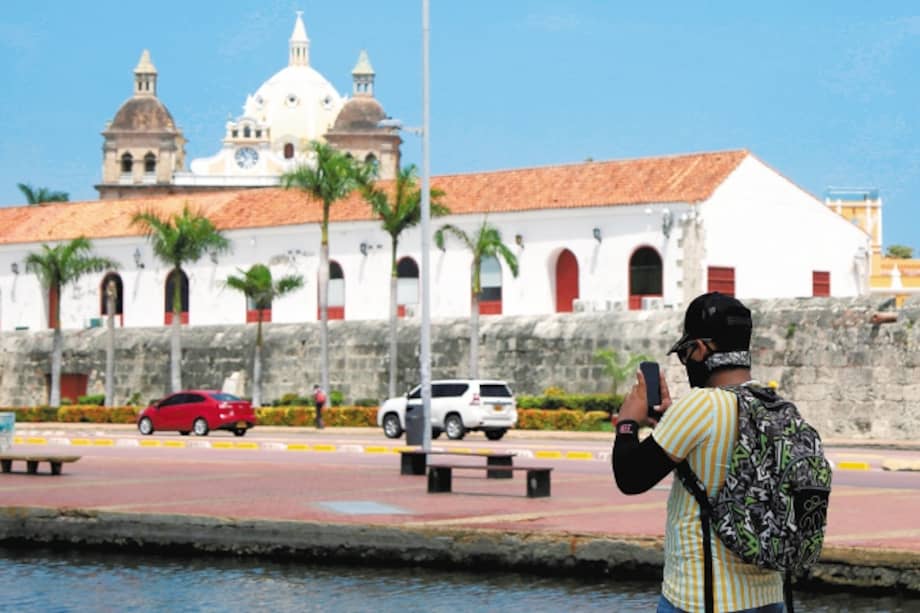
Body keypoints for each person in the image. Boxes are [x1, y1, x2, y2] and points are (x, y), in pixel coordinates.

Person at [613, 292, 784, 613]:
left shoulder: (700, 405)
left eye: (685, 353)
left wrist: (626, 423)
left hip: (703, 598)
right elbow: (710, 456)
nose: (686, 362)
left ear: (701, 349)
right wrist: (668, 420)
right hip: (769, 597)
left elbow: (630, 477)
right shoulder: (771, 404)